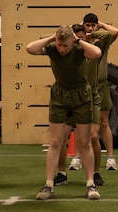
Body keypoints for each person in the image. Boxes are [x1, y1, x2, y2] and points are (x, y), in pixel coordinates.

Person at [26, 25, 103, 200]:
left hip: (81, 95)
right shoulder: (53, 48)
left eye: (65, 46)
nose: (62, 49)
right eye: (60, 45)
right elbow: (30, 48)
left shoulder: (78, 48)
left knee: (84, 142)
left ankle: (90, 184)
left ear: (72, 42)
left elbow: (96, 53)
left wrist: (79, 41)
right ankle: (49, 185)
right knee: (55, 142)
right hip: (60, 95)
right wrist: (51, 39)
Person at [75, 13, 118, 181]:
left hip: (100, 85)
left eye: (93, 25)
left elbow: (114, 32)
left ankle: (110, 158)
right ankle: (77, 157)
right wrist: (81, 32)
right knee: (81, 125)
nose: (90, 28)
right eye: (87, 25)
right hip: (81, 88)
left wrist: (99, 26)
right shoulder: (78, 44)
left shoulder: (101, 42)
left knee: (104, 122)